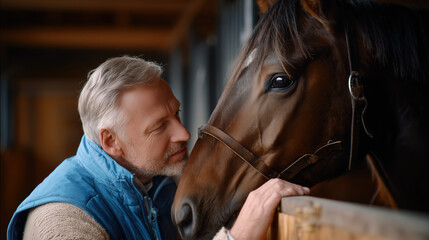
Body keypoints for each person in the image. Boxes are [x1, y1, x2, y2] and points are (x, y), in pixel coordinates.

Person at [7, 56, 309, 240]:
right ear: (111, 141)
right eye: (159, 126)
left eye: (175, 114)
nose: (184, 132)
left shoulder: (155, 184)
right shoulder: (62, 222)